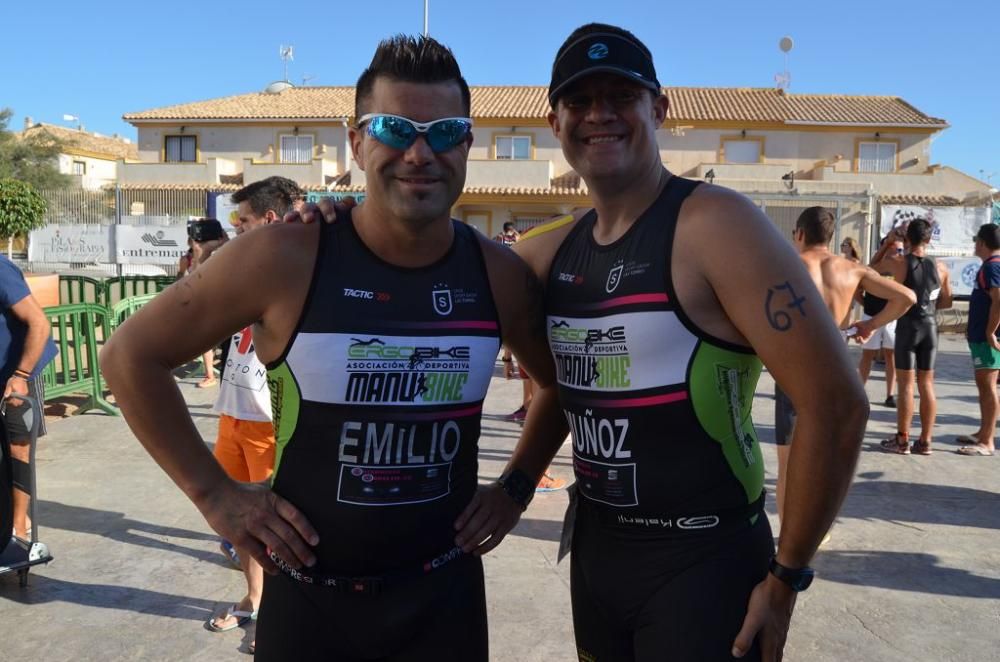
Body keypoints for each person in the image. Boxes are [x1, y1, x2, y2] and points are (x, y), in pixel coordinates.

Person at [100, 35, 567, 661]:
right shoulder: (283, 256)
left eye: (444, 130)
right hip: (310, 604)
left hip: (443, 599)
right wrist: (214, 495)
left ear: (468, 143)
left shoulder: (498, 274)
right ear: (356, 142)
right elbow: (129, 356)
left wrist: (515, 488)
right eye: (396, 129)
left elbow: (559, 385)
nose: (420, 152)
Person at [511, 24, 868, 662]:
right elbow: (425, 261)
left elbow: (836, 405)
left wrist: (787, 576)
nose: (599, 114)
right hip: (597, 551)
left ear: (659, 108)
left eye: (620, 96)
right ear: (555, 122)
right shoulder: (546, 251)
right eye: (580, 100)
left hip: (705, 563)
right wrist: (332, 225)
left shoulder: (718, 226)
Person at [195, 178, 303, 651]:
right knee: (238, 523)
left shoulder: (297, 272)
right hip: (232, 416)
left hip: (268, 424)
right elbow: (194, 303)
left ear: (271, 221)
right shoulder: (243, 269)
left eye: (244, 222)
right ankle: (256, 600)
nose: (236, 230)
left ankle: (282, 615)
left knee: (276, 527)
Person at [776, 208, 914, 522]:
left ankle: (787, 537)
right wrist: (871, 325)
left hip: (793, 368)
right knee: (823, 461)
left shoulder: (786, 266)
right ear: (830, 236)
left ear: (799, 234)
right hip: (832, 369)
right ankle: (816, 531)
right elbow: (907, 297)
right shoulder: (852, 269)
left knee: (788, 462)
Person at [880, 218, 953, 455]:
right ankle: (926, 441)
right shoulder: (941, 267)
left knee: (906, 386)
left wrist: (887, 244)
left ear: (907, 239)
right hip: (930, 327)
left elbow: (871, 268)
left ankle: (902, 440)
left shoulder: (899, 262)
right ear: (929, 239)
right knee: (927, 384)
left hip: (908, 326)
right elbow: (947, 301)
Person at [0, 256, 57, 541]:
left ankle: (18, 529)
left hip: (17, 373)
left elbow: (40, 324)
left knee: (17, 450)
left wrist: (21, 375)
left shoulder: (0, 270)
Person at [956, 223, 1000, 456]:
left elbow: (998, 301)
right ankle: (983, 433)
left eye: (976, 240)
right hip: (982, 337)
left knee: (988, 386)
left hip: (987, 340)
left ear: (982, 243)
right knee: (984, 386)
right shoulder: (990, 266)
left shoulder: (993, 267)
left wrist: (990, 332)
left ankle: (988, 442)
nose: (974, 244)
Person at [858, 232, 907, 407]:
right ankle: (859, 392)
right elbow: (870, 267)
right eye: (895, 248)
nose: (898, 252)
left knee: (890, 355)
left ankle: (890, 394)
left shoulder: (902, 266)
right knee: (867, 355)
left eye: (900, 249)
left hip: (891, 317)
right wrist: (866, 305)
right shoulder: (878, 265)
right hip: (871, 315)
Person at [177, 240, 217, 388]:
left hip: (213, 302)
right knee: (202, 340)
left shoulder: (213, 256)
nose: (198, 242)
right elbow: (179, 277)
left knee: (205, 340)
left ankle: (211, 375)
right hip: (196, 303)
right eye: (195, 238)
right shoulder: (186, 259)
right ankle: (210, 374)